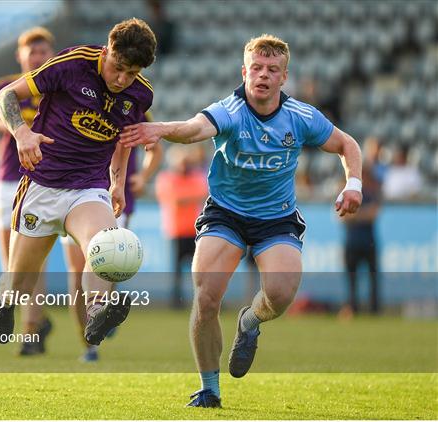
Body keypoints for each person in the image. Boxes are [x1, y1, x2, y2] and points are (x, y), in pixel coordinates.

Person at [120, 34, 362, 407]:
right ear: (244, 71)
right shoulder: (230, 110)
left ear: (284, 77)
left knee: (280, 297)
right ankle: (209, 388)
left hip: (276, 218)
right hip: (226, 214)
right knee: (205, 298)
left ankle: (251, 320)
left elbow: (348, 145)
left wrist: (354, 184)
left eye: (272, 70)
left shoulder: (300, 117)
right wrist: (163, 129)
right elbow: (195, 129)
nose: (263, 75)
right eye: (257, 68)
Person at [0, 18, 157, 349]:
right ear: (108, 50)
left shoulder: (140, 95)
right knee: (20, 280)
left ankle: (97, 313)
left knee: (105, 247)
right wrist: (21, 133)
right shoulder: (73, 63)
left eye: (132, 73)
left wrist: (117, 183)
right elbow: (6, 95)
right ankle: (7, 301)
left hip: (89, 188)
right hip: (43, 184)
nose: (122, 80)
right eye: (118, 68)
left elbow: (124, 139)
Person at [0, 27, 56, 355]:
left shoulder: (59, 88)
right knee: (12, 266)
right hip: (8, 181)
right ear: (20, 56)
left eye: (43, 51)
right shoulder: (5, 89)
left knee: (34, 262)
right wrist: (5, 123)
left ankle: (31, 331)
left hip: (43, 181)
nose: (37, 57)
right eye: (32, 52)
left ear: (53, 54)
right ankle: (37, 322)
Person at [61, 124, 162, 361]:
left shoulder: (130, 104)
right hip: (68, 196)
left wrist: (143, 176)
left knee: (106, 265)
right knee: (76, 274)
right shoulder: (70, 98)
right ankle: (88, 342)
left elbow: (155, 149)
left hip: (110, 200)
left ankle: (102, 309)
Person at [155, 144, 208, 308]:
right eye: (181, 162)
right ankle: (176, 300)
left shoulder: (196, 177)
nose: (184, 165)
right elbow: (176, 199)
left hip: (195, 230)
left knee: (199, 268)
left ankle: (201, 299)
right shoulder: (166, 178)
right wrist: (190, 198)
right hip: (175, 230)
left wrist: (185, 199)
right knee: (177, 270)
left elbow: (202, 194)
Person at [341, 164, 381, 316]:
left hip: (368, 242)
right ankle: (353, 308)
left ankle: (374, 309)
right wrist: (363, 215)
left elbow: (374, 214)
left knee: (372, 278)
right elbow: (342, 217)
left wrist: (355, 215)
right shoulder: (347, 193)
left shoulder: (371, 193)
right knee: (352, 280)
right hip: (352, 243)